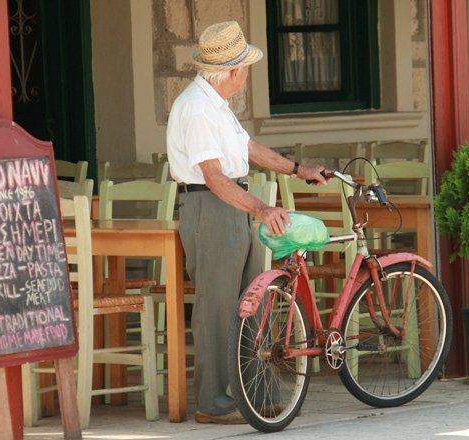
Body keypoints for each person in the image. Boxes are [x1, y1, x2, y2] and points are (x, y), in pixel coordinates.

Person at [166, 21, 326, 425]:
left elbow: (248, 148)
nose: (248, 74)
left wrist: (297, 168)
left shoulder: (216, 105)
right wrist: (262, 209)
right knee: (219, 307)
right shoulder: (198, 108)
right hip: (212, 205)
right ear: (233, 72)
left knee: (254, 303)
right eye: (246, 67)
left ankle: (256, 394)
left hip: (232, 203)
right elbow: (214, 177)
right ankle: (214, 402)